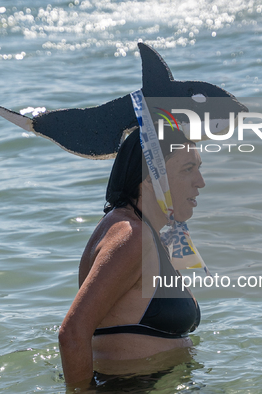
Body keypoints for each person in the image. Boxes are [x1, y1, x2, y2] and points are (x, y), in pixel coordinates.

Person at [58, 127, 206, 387]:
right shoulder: (131, 237)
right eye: (188, 169)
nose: (200, 181)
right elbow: (72, 333)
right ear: (151, 179)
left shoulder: (143, 231)